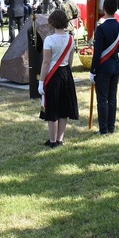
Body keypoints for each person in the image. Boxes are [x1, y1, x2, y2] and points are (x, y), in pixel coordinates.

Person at [38, 9, 78, 147]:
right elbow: (71, 61)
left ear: (53, 23)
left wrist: (41, 82)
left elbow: (46, 62)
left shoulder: (49, 40)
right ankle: (60, 139)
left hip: (52, 75)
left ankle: (52, 140)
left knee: (53, 108)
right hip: (66, 73)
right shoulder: (71, 39)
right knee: (64, 109)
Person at [90, 0, 119, 135]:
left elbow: (97, 53)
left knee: (102, 99)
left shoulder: (101, 28)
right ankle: (111, 127)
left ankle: (103, 129)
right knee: (112, 98)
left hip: (103, 68)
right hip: (115, 65)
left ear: (104, 9)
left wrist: (92, 70)